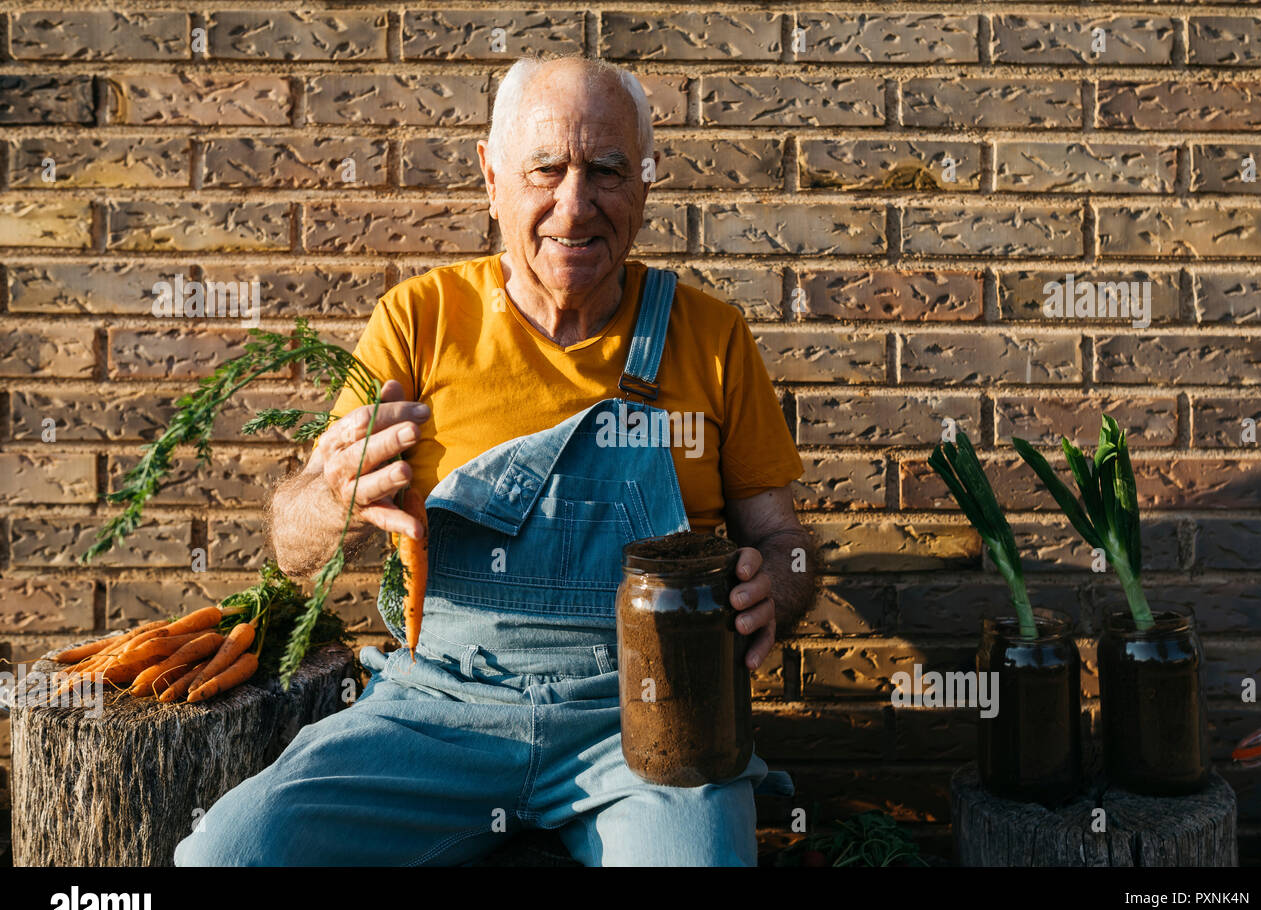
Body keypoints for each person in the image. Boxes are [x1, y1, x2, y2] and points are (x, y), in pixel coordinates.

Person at [174, 53, 814, 867]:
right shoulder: (418, 320)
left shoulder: (712, 335)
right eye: (545, 168)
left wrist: (776, 585)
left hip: (647, 716)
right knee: (227, 856)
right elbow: (293, 545)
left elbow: (783, 535)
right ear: (491, 177)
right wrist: (329, 496)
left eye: (607, 170)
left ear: (646, 183)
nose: (573, 205)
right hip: (438, 704)